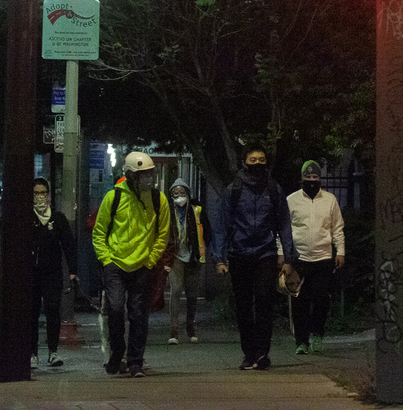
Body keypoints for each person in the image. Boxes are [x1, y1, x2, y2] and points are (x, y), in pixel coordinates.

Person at [210, 143, 299, 371]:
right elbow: (221, 226)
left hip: (265, 254)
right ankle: (248, 353)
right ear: (244, 162)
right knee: (243, 306)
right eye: (253, 160)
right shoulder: (234, 190)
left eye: (261, 159)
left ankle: (262, 353)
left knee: (264, 301)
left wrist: (288, 258)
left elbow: (284, 225)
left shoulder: (274, 189)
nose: (257, 164)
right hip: (239, 254)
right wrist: (219, 258)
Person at [92, 151, 169, 377]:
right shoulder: (113, 197)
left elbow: (162, 234)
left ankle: (135, 361)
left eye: (149, 174)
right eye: (142, 174)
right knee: (115, 310)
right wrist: (106, 260)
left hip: (142, 266)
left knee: (139, 314)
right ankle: (118, 353)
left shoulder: (158, 199)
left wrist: (151, 260)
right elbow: (99, 233)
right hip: (115, 264)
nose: (148, 178)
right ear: (129, 175)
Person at [284, 160, 345, 354]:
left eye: (315, 178)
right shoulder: (291, 200)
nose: (311, 181)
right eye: (308, 178)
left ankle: (317, 333)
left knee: (321, 299)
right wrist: (283, 257)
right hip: (298, 258)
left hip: (323, 258)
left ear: (320, 179)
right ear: (301, 179)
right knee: (299, 301)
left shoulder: (330, 200)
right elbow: (284, 231)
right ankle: (301, 342)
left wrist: (340, 250)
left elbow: (337, 228)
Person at [30, 177, 77, 369]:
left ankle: (52, 351)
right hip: (32, 274)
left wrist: (73, 271)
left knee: (52, 310)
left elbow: (69, 246)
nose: (40, 197)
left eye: (43, 193)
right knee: (32, 313)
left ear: (48, 195)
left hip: (53, 273)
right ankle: (32, 353)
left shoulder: (58, 219)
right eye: (36, 193)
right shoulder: (27, 218)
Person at [164, 178, 210, 345]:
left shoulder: (197, 210)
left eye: (182, 193)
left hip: (193, 257)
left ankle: (190, 327)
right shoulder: (167, 212)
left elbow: (208, 232)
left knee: (192, 295)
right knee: (175, 291)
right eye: (175, 193)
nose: (179, 196)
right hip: (175, 257)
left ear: (188, 194)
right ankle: (174, 330)